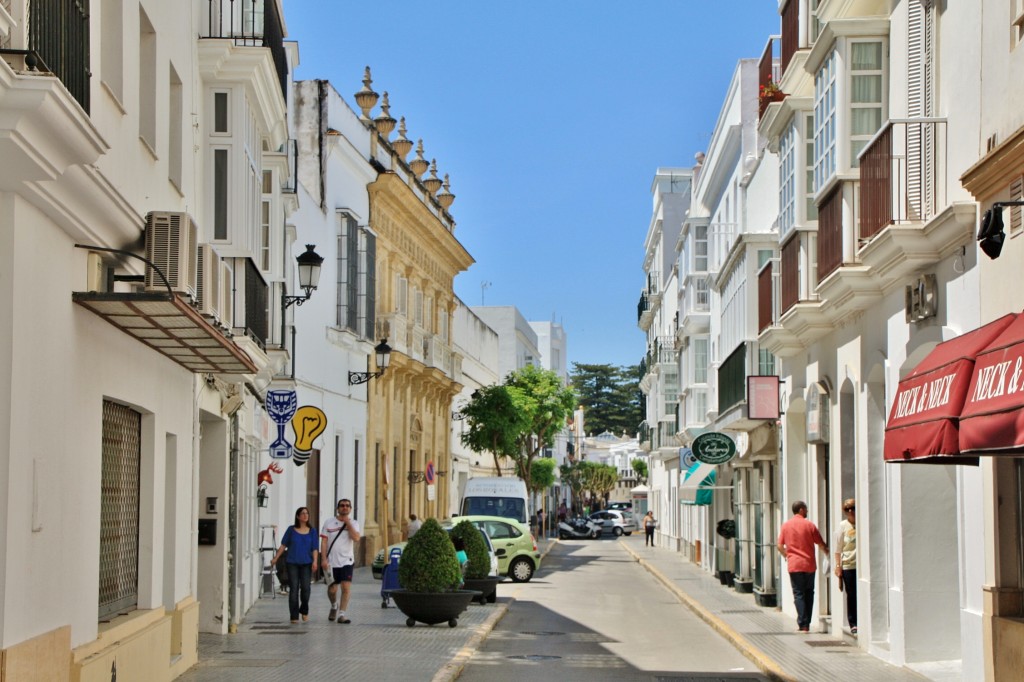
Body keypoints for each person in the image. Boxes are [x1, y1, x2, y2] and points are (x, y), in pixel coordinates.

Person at [777, 500, 829, 633]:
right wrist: (828, 553)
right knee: (809, 593)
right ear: (801, 509)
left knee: (798, 594)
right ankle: (807, 622)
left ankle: (803, 624)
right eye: (805, 509)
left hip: (794, 565)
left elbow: (779, 546)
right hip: (809, 565)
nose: (807, 511)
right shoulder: (809, 525)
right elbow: (820, 543)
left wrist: (787, 556)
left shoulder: (786, 526)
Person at [270, 507, 318, 624]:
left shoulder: (312, 531)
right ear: (298, 516)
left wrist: (315, 561)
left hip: (306, 563)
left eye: (307, 513)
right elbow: (283, 546)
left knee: (306, 589)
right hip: (292, 563)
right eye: (302, 513)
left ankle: (304, 610)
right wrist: (275, 558)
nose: (305, 515)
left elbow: (315, 548)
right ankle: (294, 615)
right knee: (294, 589)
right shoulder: (291, 530)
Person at [320, 498, 361, 624]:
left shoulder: (354, 523)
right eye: (342, 505)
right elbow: (324, 541)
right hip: (331, 561)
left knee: (346, 587)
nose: (345, 507)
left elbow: (356, 538)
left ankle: (342, 614)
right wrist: (323, 559)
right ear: (338, 508)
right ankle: (334, 605)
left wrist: (347, 523)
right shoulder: (329, 522)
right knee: (332, 590)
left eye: (347, 506)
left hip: (347, 561)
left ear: (350, 509)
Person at [834, 498, 858, 635]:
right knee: (851, 595)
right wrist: (838, 566)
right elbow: (838, 548)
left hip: (860, 565)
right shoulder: (843, 526)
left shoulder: (861, 523)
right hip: (848, 565)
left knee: (858, 594)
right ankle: (853, 623)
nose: (850, 511)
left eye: (853, 508)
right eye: (847, 509)